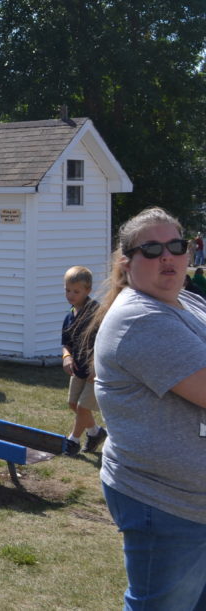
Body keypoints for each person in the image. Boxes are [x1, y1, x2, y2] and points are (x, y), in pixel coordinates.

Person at [90, 206, 206, 610]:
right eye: (152, 249)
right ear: (128, 261)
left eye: (176, 245)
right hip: (168, 504)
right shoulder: (140, 318)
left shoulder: (186, 303)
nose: (167, 257)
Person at [60, 266, 106, 454]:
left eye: (76, 291)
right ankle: (95, 433)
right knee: (73, 404)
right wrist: (66, 357)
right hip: (78, 368)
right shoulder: (69, 316)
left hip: (95, 370)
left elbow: (105, 340)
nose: (71, 295)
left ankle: (73, 441)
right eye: (67, 290)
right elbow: (66, 343)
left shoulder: (97, 313)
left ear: (88, 290)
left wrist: (96, 366)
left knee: (82, 406)